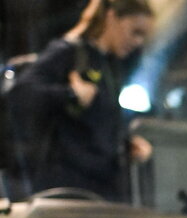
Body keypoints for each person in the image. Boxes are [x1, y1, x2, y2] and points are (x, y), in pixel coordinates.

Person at [5, 0, 154, 202]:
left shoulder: (111, 64)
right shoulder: (68, 51)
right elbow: (20, 94)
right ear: (111, 17)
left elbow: (97, 124)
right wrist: (69, 94)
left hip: (100, 191)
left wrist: (126, 145)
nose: (138, 42)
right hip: (65, 190)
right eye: (135, 31)